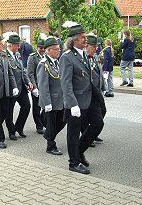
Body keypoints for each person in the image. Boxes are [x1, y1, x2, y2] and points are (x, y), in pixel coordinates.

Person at [60, 23, 104, 175]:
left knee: (98, 124)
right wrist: (72, 104)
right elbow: (65, 83)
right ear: (75, 40)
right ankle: (73, 162)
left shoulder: (85, 54)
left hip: (90, 98)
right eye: (83, 38)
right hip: (77, 101)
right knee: (73, 132)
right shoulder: (67, 57)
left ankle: (79, 151)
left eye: (86, 37)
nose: (86, 40)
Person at [37, 37, 66, 155]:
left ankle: (49, 134)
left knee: (62, 120)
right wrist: (47, 103)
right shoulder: (44, 65)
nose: (58, 51)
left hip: (60, 99)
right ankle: (50, 146)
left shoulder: (57, 63)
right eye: (55, 50)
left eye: (59, 49)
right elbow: (43, 86)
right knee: (51, 123)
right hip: (51, 100)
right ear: (48, 51)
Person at [5, 34, 33, 140]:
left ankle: (19, 127)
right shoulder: (4, 56)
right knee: (9, 112)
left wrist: (28, 82)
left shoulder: (17, 54)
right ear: (10, 45)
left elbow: (23, 71)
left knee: (26, 106)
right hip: (12, 88)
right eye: (17, 45)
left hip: (21, 87)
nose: (19, 47)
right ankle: (11, 131)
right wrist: (13, 87)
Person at [27, 39, 45, 134]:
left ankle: (44, 122)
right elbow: (30, 74)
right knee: (37, 107)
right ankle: (39, 125)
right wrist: (34, 87)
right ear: (37, 48)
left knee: (46, 106)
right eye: (41, 48)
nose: (42, 49)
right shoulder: (33, 58)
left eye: (44, 48)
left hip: (45, 86)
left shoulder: (47, 56)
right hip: (37, 85)